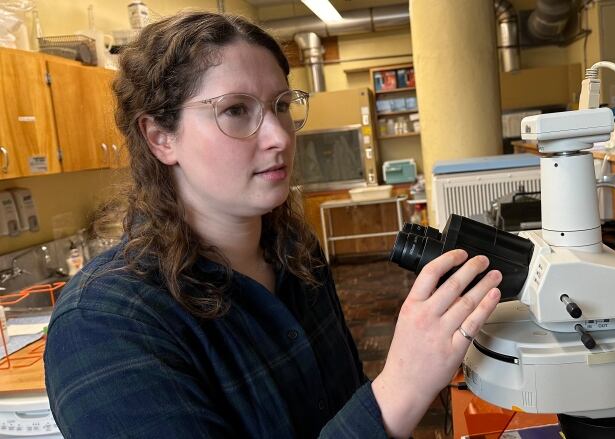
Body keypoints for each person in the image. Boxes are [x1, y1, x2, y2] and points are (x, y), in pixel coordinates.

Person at [44, 11, 501, 438]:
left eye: (282, 105)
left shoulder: (294, 250)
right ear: (161, 138)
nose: (280, 136)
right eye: (236, 110)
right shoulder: (105, 326)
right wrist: (404, 384)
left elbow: (343, 402)